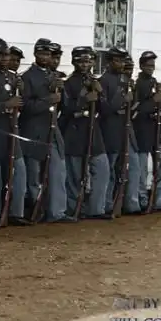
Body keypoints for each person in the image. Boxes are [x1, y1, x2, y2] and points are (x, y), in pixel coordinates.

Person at [20, 38, 74, 223]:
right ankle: (36, 211)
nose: (45, 57)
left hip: (52, 128)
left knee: (57, 171)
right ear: (35, 54)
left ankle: (57, 211)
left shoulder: (54, 76)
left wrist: (61, 92)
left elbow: (65, 106)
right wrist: (47, 99)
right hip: (34, 130)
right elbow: (26, 107)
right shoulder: (27, 77)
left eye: (48, 54)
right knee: (34, 175)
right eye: (42, 53)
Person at [61, 47, 111, 219]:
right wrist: (84, 99)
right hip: (75, 132)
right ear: (74, 62)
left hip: (93, 131)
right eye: (81, 61)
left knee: (102, 169)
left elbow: (105, 110)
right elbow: (66, 109)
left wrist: (100, 93)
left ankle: (96, 209)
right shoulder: (68, 83)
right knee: (75, 175)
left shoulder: (95, 82)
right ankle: (75, 208)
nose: (85, 65)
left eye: (88, 61)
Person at [0, 39, 30, 226]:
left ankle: (16, 212)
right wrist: (6, 105)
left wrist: (21, 93)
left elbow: (23, 103)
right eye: (0, 55)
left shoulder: (14, 78)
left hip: (13, 129)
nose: (4, 58)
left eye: (6, 55)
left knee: (18, 173)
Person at [98, 47, 142, 215]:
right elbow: (105, 109)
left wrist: (132, 97)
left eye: (122, 60)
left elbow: (134, 105)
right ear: (109, 62)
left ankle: (131, 203)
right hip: (111, 129)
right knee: (110, 168)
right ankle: (107, 204)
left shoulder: (125, 79)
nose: (121, 64)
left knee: (133, 166)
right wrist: (123, 100)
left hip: (126, 128)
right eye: (117, 60)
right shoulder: (103, 80)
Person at [133, 51, 161, 212]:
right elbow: (135, 111)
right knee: (142, 169)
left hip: (156, 129)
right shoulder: (137, 84)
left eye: (152, 65)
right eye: (148, 65)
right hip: (142, 130)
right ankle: (143, 199)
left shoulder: (154, 82)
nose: (151, 68)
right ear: (141, 65)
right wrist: (153, 101)